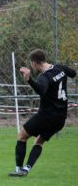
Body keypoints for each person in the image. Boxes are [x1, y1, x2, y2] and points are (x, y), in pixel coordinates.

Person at [8, 49, 76, 177]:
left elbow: (41, 90)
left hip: (46, 115)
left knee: (22, 136)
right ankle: (26, 169)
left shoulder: (44, 76)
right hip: (61, 118)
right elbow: (73, 73)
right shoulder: (60, 68)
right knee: (39, 141)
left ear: (34, 63)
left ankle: (18, 169)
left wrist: (29, 79)